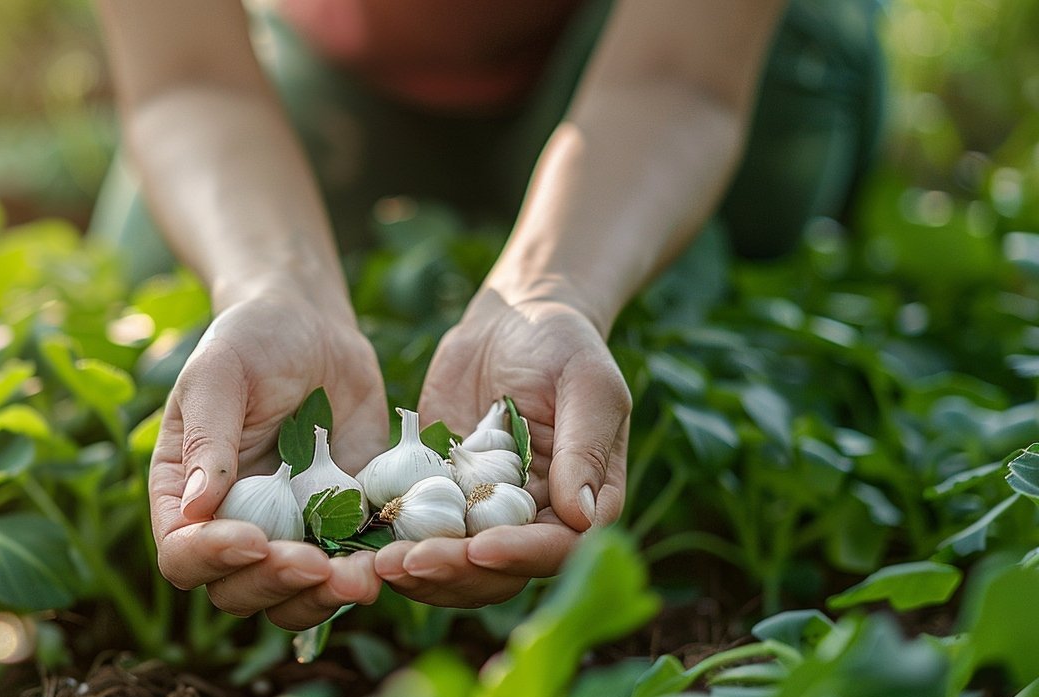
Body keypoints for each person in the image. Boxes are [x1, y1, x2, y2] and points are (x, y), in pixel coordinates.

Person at [93, 0, 884, 630]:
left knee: (755, 187)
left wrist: (555, 290)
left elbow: (677, 76)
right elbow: (188, 77)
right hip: (337, 54)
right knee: (152, 264)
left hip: (649, 51)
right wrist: (272, 283)